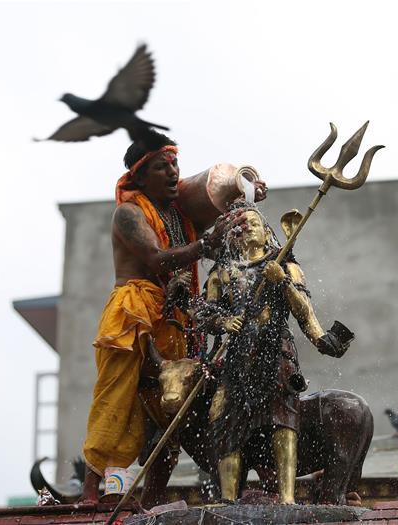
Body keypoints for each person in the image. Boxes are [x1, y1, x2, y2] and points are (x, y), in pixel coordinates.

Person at [80, 130, 267, 503]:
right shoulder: (128, 213)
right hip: (133, 312)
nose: (172, 173)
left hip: (176, 316)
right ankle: (90, 493)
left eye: (174, 164)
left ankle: (148, 498)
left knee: (174, 410)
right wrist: (205, 244)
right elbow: (157, 259)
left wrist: (244, 203)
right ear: (139, 176)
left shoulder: (180, 215)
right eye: (161, 167)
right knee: (118, 400)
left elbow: (210, 247)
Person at [202, 202, 352, 504]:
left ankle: (286, 496)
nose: (246, 229)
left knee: (283, 421)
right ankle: (228, 498)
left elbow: (304, 312)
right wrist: (222, 320)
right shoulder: (223, 272)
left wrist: (282, 281)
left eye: (252, 223)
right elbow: (205, 310)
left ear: (267, 231)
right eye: (239, 226)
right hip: (238, 357)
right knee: (226, 424)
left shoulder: (285, 266)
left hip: (277, 351)